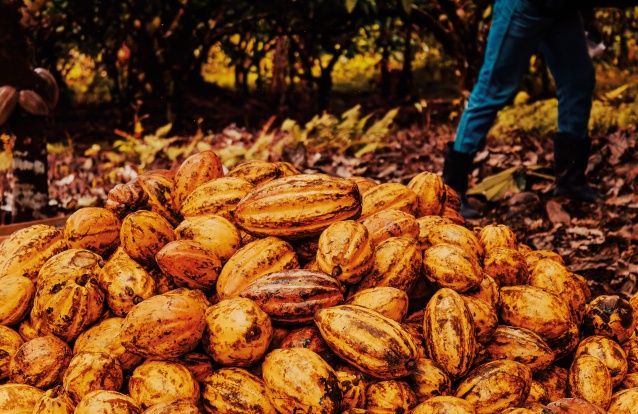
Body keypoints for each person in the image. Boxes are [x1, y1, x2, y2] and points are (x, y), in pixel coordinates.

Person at [443, 0, 637, 219]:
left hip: (561, 9)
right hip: (522, 6)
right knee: (493, 87)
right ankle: (452, 190)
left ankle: (571, 180)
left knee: (578, 81)